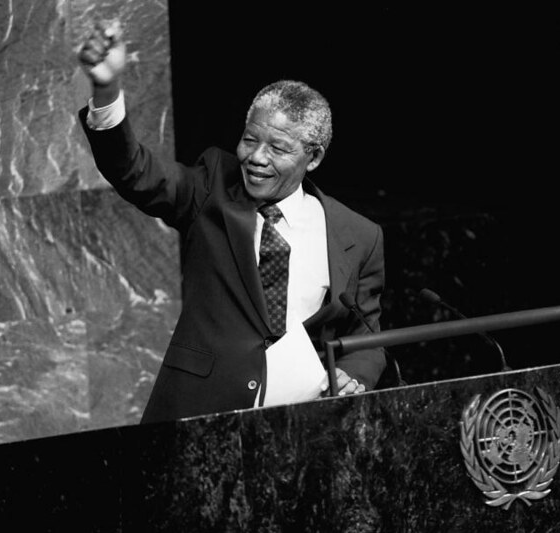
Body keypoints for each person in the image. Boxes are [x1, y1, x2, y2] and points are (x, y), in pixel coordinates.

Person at [77, 21, 386, 423]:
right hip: (199, 415)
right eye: (250, 139)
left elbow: (367, 337)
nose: (257, 157)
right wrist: (106, 90)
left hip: (304, 427)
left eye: (277, 148)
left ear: (313, 158)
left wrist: (354, 376)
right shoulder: (211, 187)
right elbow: (135, 171)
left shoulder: (357, 235)